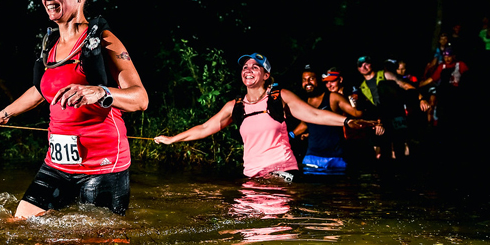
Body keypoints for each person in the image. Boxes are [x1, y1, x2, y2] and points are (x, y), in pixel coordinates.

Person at [0, 0, 148, 217]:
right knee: (19, 226)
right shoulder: (51, 46)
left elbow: (140, 99)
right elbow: (41, 90)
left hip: (102, 165)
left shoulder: (103, 41)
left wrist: (100, 92)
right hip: (57, 163)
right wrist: (3, 115)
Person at [153, 53, 375, 182]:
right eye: (245, 67)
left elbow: (314, 114)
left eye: (255, 67)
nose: (248, 69)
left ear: (266, 75)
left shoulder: (280, 97)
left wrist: (345, 121)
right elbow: (203, 128)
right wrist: (172, 139)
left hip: (282, 172)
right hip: (253, 177)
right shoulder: (235, 106)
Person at [291, 67, 370, 175]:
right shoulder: (304, 102)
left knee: (338, 190)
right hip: (312, 158)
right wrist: (290, 135)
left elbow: (357, 113)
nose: (307, 82)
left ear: (319, 79)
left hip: (335, 158)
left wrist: (356, 98)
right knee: (310, 191)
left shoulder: (333, 97)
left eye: (311, 79)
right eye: (304, 80)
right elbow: (305, 123)